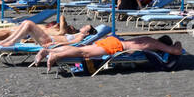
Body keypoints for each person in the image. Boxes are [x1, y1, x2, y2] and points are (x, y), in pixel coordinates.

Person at [33, 33, 185, 71]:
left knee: (82, 49)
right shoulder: (153, 43)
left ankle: (47, 51)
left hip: (113, 41)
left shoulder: (147, 39)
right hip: (116, 47)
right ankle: (56, 54)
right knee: (83, 53)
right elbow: (176, 51)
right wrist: (177, 43)